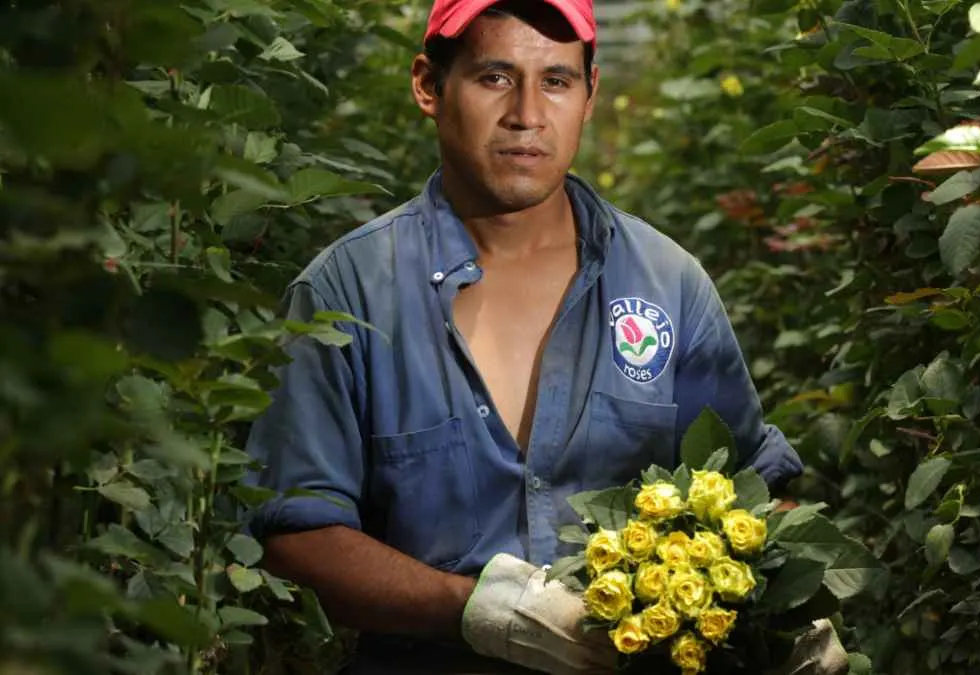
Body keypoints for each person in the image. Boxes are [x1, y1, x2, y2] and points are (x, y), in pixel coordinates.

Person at [243, 1, 848, 673]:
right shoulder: (348, 294)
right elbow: (295, 532)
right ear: (428, 85)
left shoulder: (667, 286)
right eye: (495, 77)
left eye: (556, 80)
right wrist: (477, 611)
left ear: (590, 94)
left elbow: (750, 487)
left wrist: (786, 600)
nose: (527, 113)